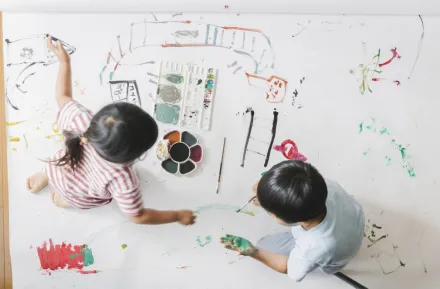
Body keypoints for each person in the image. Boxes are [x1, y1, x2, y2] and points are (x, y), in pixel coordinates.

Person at [26, 36, 196, 226]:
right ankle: (69, 200)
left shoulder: (80, 121)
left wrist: (64, 62)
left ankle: (47, 176)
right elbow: (137, 216)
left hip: (59, 169)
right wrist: (177, 215)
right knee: (77, 198)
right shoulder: (122, 178)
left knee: (55, 169)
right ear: (134, 156)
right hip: (81, 195)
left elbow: (62, 95)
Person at [221, 160, 364, 281]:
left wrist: (254, 252)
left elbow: (288, 268)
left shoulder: (313, 247)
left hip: (336, 253)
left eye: (269, 212)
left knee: (264, 244)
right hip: (354, 221)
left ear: (289, 220)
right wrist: (269, 189)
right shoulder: (321, 185)